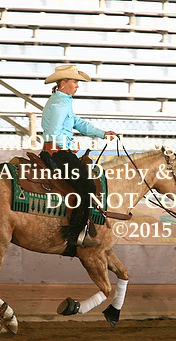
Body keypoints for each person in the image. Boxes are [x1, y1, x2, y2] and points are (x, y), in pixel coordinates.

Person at [40, 64, 117, 248]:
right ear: (63, 83)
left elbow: (78, 123)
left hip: (58, 152)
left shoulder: (63, 101)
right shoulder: (60, 104)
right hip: (58, 154)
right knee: (88, 187)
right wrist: (69, 145)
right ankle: (76, 234)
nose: (77, 85)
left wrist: (102, 133)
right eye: (75, 81)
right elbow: (53, 132)